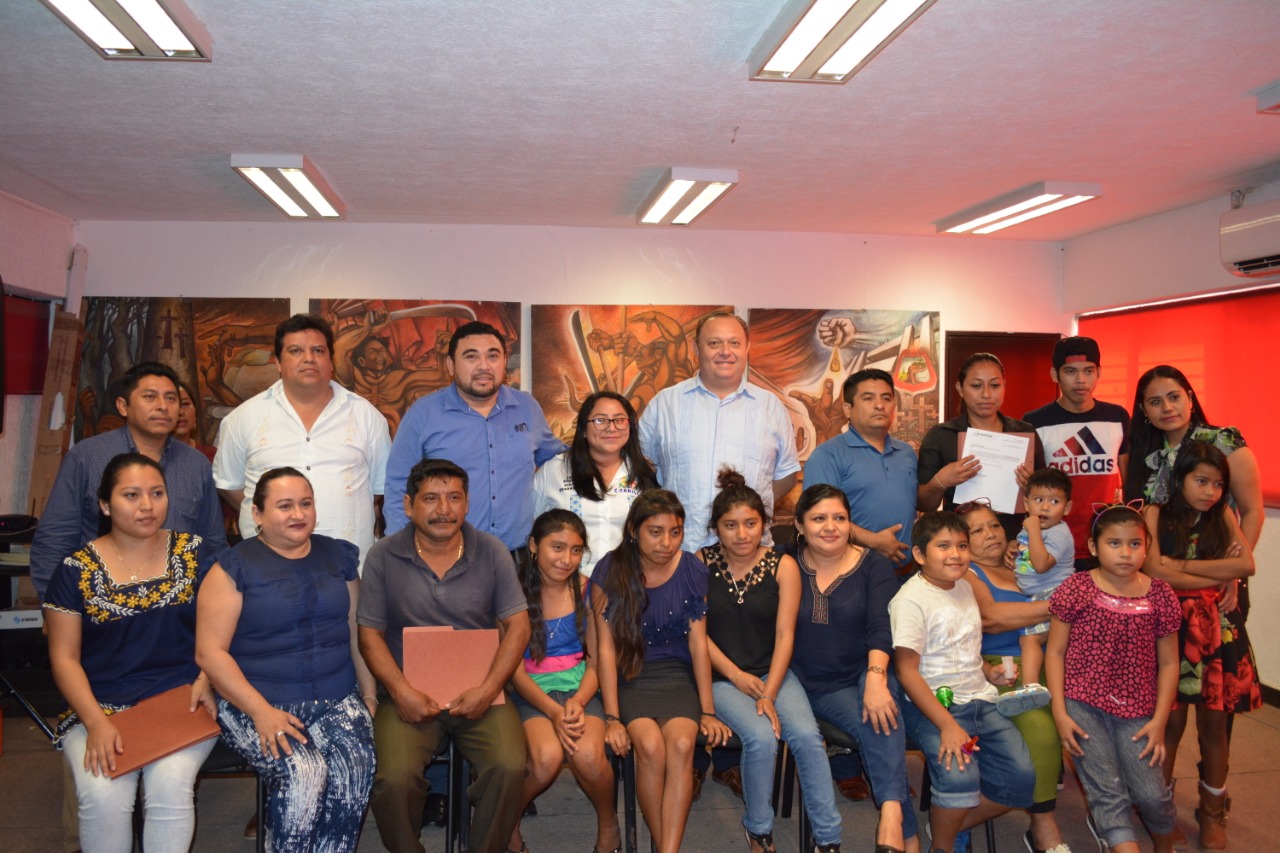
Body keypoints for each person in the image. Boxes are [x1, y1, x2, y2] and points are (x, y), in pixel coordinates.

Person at [196, 468, 377, 853]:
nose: (298, 513)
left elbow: (354, 630)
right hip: (256, 702)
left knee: (357, 766)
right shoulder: (232, 567)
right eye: (284, 506)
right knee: (305, 773)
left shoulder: (337, 555)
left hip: (336, 697)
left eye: (305, 503)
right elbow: (210, 653)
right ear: (257, 514)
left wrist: (369, 694)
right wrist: (261, 712)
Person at [44, 453, 217, 853]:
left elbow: (222, 634)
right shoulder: (74, 570)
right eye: (131, 495)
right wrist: (96, 723)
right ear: (105, 505)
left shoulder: (195, 554)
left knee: (171, 785)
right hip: (98, 707)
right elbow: (64, 658)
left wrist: (207, 678)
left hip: (181, 700)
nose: (147, 506)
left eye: (157, 493)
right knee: (103, 795)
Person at [357, 458, 530, 853]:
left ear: (467, 504)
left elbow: (519, 627)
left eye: (454, 498)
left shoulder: (491, 551)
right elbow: (369, 636)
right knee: (393, 780)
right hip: (407, 693)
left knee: (509, 767)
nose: (444, 509)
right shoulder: (383, 556)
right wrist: (400, 691)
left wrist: (489, 689)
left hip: (482, 691)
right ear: (408, 505)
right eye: (431, 498)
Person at [698, 472, 846, 853]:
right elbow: (696, 635)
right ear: (716, 528)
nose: (741, 534)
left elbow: (785, 636)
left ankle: (828, 838)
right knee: (761, 738)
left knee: (808, 737)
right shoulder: (701, 563)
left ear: (764, 524)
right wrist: (736, 676)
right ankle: (759, 829)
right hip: (721, 677)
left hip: (774, 672)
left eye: (750, 524)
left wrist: (769, 693)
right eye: (730, 525)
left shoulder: (783, 565)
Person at [591, 489, 731, 853]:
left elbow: (698, 645)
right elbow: (605, 650)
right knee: (651, 747)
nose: (667, 542)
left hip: (676, 674)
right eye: (656, 532)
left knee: (683, 744)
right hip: (630, 673)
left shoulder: (693, 570)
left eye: (675, 532)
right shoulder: (610, 569)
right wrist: (611, 717)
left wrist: (707, 710)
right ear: (634, 530)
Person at [890, 512, 1035, 853]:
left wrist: (988, 670)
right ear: (919, 554)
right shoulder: (910, 600)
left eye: (961, 546)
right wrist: (947, 725)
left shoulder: (966, 586)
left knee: (1021, 780)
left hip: (981, 699)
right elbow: (907, 671)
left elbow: (963, 643)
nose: (955, 554)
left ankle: (952, 823)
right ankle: (942, 846)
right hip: (935, 706)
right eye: (943, 546)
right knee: (960, 779)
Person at [789, 483, 920, 853]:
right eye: (818, 518)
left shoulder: (874, 565)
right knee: (877, 722)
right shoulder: (785, 562)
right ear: (799, 525)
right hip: (811, 684)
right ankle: (904, 831)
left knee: (882, 702)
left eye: (839, 518)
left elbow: (881, 627)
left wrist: (875, 678)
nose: (830, 527)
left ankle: (891, 816)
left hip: (865, 671)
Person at [1142, 442, 1258, 850]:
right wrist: (1213, 575)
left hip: (1217, 631)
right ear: (1180, 479)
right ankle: (1160, 812)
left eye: (1218, 484)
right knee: (1168, 725)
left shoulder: (1222, 515)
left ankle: (1212, 811)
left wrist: (1180, 567)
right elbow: (1154, 572)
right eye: (1201, 481)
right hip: (1169, 630)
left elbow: (1245, 565)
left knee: (1214, 726)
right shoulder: (1154, 513)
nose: (1210, 492)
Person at [1045, 505, 1181, 853]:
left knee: (1152, 794)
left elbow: (1169, 663)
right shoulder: (1076, 588)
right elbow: (1055, 652)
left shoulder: (1161, 595)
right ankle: (1118, 837)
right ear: (1094, 547)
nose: (1125, 553)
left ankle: (1164, 843)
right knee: (1108, 790)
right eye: (1114, 543)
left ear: (1147, 547)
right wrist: (1060, 712)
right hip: (1082, 702)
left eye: (1135, 544)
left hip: (1138, 710)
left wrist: (1159, 721)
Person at [31, 361, 226, 598]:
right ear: (123, 406)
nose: (163, 406)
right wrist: (54, 604)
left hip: (178, 604)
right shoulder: (88, 457)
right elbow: (55, 538)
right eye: (150, 397)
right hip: (101, 600)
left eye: (171, 398)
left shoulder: (196, 464)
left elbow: (213, 542)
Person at [213, 313, 392, 566]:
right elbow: (230, 485)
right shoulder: (243, 418)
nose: (309, 358)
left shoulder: (367, 416)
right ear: (278, 362)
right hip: (266, 567)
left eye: (318, 350)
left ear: (331, 360)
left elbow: (377, 489)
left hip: (347, 568)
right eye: (296, 350)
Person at [383, 320, 565, 551]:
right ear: (451, 365)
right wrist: (400, 551)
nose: (484, 366)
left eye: (493, 356)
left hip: (517, 558)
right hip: (448, 557)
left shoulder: (526, 407)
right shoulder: (423, 413)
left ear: (504, 362)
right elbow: (398, 485)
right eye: (471, 357)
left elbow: (558, 460)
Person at [958, 501, 1071, 853]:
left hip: (1054, 657)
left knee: (1087, 722)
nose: (990, 534)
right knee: (1041, 729)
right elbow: (992, 618)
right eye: (977, 530)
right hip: (1002, 666)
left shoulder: (1022, 561)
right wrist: (1062, 604)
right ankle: (1043, 824)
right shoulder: (967, 573)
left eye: (993, 525)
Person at [639, 311, 800, 552]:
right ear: (696, 348)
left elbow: (786, 477)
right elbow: (641, 469)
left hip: (750, 555)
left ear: (747, 348)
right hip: (681, 552)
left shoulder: (770, 406)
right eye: (714, 343)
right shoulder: (665, 405)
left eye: (734, 343)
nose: (725, 351)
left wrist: (752, 508)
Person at [508, 510, 620, 853]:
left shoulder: (588, 590)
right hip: (531, 693)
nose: (567, 559)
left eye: (575, 550)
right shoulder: (513, 593)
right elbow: (513, 671)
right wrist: (554, 711)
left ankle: (609, 824)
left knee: (588, 755)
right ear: (534, 545)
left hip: (580, 689)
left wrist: (578, 701)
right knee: (546, 759)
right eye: (557, 547)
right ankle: (506, 821)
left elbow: (596, 661)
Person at [1125, 364, 1263, 551]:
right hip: (1156, 563)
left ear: (1189, 399)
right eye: (1155, 402)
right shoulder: (1141, 452)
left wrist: (1237, 561)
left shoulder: (1224, 441)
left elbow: (1252, 511)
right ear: (1144, 410)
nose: (1167, 408)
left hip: (1212, 559)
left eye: (1174, 397)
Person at [1022, 336, 1130, 570]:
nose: (1081, 380)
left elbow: (1129, 478)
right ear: (1055, 375)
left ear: (1099, 372)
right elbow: (1031, 487)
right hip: (1053, 546)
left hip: (1107, 541)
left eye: (1088, 371)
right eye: (1071, 371)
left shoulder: (1117, 417)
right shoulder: (1034, 421)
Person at [803, 368, 919, 579]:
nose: (879, 405)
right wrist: (874, 541)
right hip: (850, 578)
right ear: (848, 409)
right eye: (868, 398)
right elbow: (817, 519)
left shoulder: (907, 453)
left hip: (905, 575)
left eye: (886, 398)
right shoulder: (827, 455)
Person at [916, 353, 1042, 541]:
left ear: (1004, 386)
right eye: (976, 386)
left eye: (995, 385)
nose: (986, 394)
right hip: (962, 542)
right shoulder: (942, 435)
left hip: (1015, 541)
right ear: (960, 388)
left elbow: (1046, 496)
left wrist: (1033, 487)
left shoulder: (1025, 432)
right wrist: (940, 481)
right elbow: (923, 504)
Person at [533, 390, 659, 576]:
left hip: (627, 584)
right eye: (600, 420)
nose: (611, 428)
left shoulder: (644, 474)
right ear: (584, 429)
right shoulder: (554, 471)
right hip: (569, 583)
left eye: (620, 420)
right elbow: (533, 529)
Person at [1005, 468, 1074, 713]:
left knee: (1029, 638)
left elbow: (1042, 564)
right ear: (1026, 503)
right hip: (1037, 594)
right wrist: (1012, 547)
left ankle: (1030, 687)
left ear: (1067, 508)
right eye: (1038, 500)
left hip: (1056, 591)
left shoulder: (1059, 532)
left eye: (1054, 502)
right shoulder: (1030, 530)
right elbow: (1025, 548)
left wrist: (1033, 530)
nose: (1045, 507)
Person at [174, 381, 217, 462]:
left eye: (185, 404)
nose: (181, 412)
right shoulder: (152, 458)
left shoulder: (212, 455)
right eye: (173, 405)